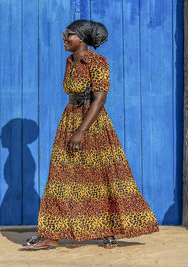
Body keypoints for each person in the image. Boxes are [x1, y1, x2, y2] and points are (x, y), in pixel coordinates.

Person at [23, 19, 159, 250]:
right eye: (64, 34)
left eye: (68, 35)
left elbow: (100, 99)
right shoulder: (70, 62)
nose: (64, 39)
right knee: (60, 177)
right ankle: (51, 235)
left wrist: (81, 132)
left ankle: (107, 231)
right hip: (69, 120)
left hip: (92, 125)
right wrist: (72, 129)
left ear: (82, 39)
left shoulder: (98, 62)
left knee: (100, 178)